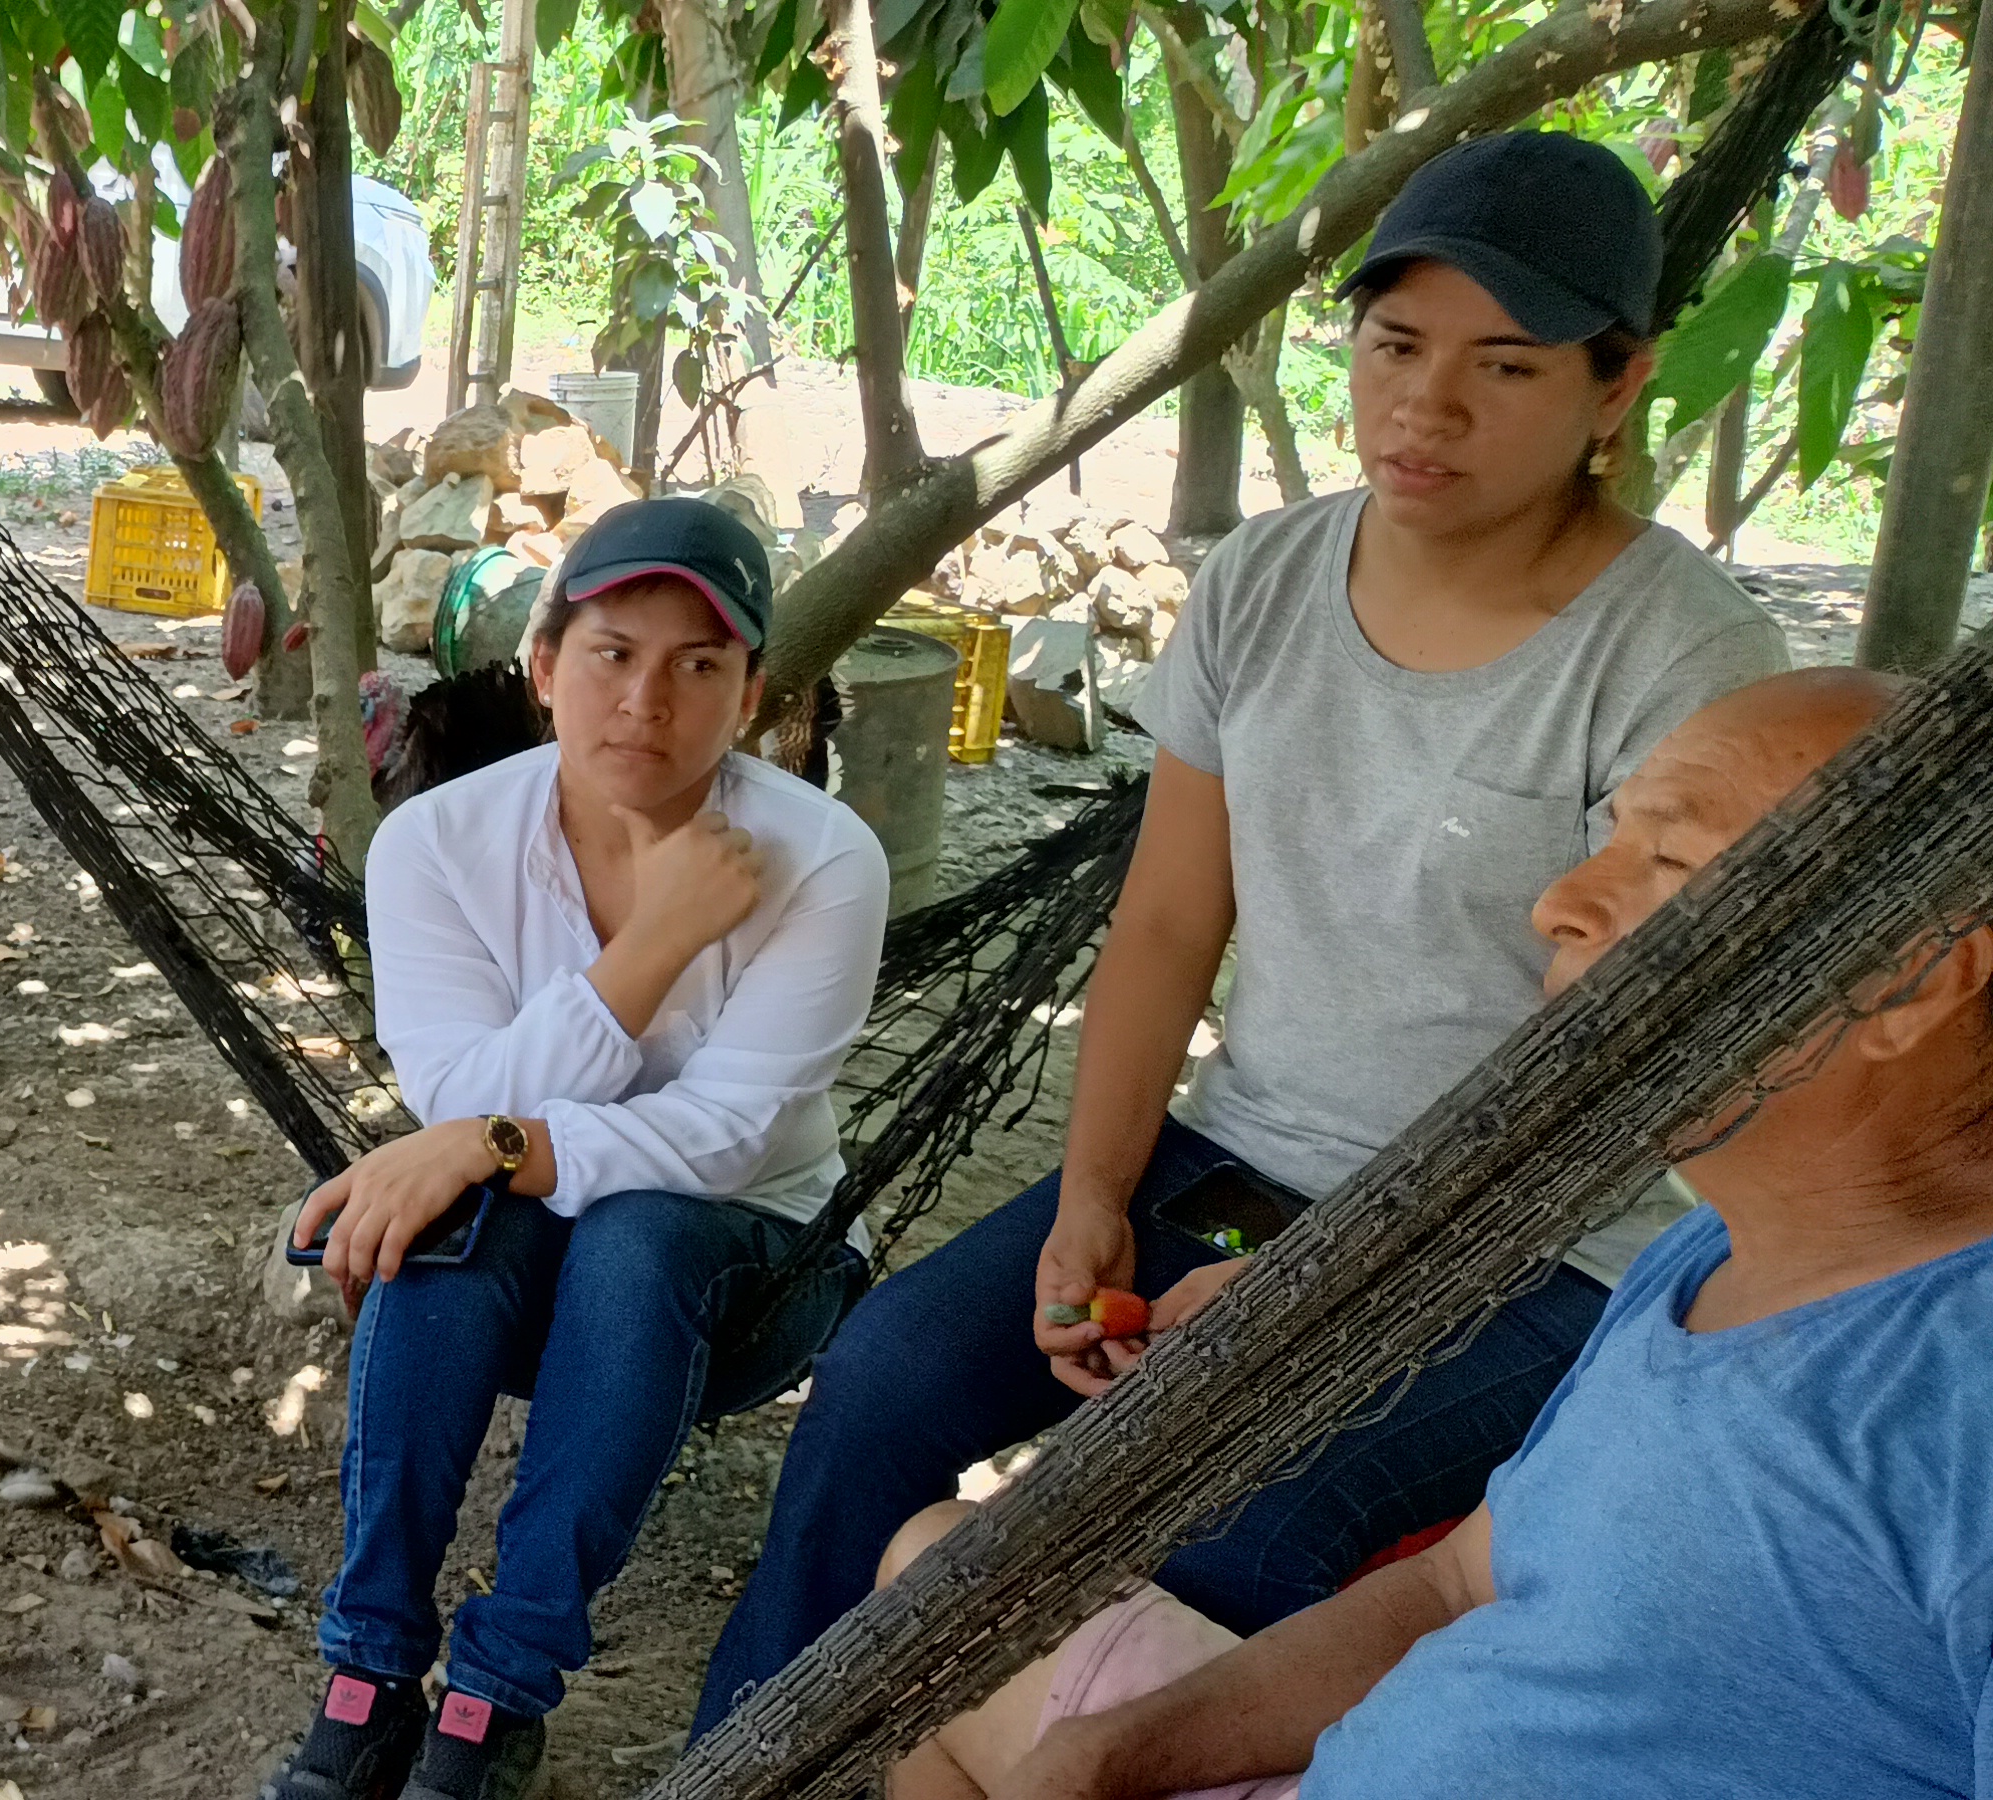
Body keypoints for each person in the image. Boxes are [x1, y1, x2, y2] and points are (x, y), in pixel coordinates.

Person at [694, 130, 1793, 1735]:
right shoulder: (1266, 581)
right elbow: (1165, 921)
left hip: (1532, 1241)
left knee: (1238, 1535)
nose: (1427, 405)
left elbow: (1629, 1070)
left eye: (1505, 366)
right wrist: (1091, 1201)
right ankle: (751, 1756)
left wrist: (1305, 1296)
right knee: (886, 1379)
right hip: (1239, 1173)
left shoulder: (1686, 660)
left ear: (1615, 388)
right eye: (1395, 346)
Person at [883, 665, 1993, 1800]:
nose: (1558, 904)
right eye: (1612, 839)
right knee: (937, 1589)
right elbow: (1456, 1586)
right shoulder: (1712, 1258)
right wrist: (1106, 1756)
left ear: (1907, 981)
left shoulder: (1956, 1409)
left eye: (1669, 862)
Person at [260, 499, 889, 1800]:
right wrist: (650, 950)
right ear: (544, 666)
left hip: (758, 1274)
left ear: (751, 697)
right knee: (439, 1223)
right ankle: (366, 1676)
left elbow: (725, 1140)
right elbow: (456, 1096)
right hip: (529, 1265)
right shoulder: (437, 845)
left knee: (631, 1231)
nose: (646, 702)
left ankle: (495, 1698)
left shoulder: (824, 860)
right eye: (612, 654)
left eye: (697, 666)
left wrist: (490, 1144)